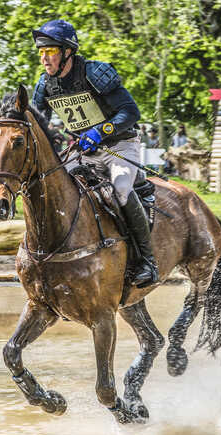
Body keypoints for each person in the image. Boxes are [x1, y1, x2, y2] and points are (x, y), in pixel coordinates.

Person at [31, 19, 157, 286]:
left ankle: (147, 262)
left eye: (50, 51)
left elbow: (131, 112)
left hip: (119, 146)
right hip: (83, 151)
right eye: (41, 52)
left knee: (121, 189)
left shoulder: (94, 73)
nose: (44, 58)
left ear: (67, 51)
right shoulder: (45, 86)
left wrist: (101, 131)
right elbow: (37, 125)